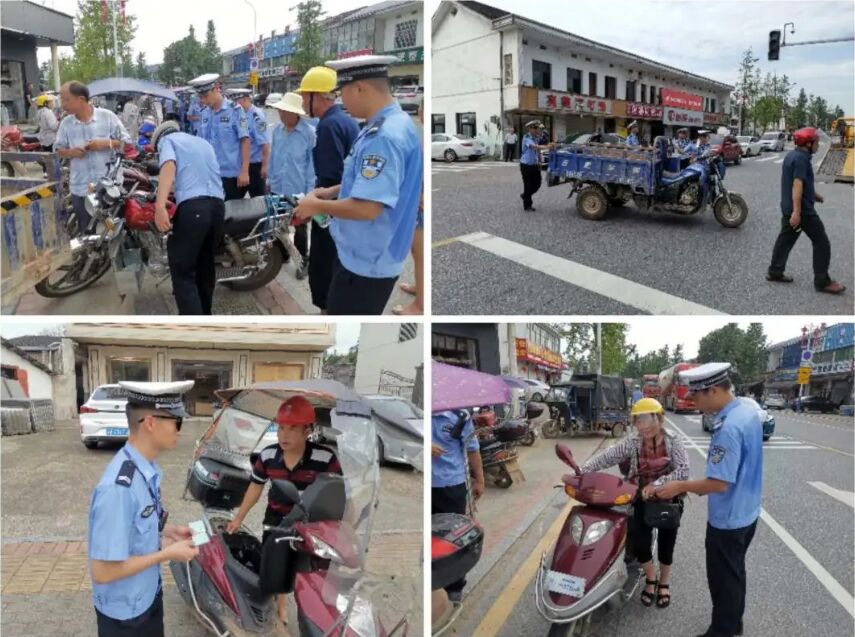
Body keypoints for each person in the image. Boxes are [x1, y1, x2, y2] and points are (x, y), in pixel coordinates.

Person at [294, 55, 422, 315]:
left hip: (367, 261)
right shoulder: (393, 122)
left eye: (342, 92)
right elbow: (371, 182)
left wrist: (316, 205)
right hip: (370, 254)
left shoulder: (384, 137)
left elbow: (368, 208)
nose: (340, 100)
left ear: (360, 88)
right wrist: (332, 191)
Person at [653, 363, 763, 637]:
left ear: (713, 390)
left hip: (728, 519)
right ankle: (734, 624)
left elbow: (719, 483)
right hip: (748, 512)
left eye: (696, 396)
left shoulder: (728, 428)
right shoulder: (747, 411)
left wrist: (679, 485)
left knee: (722, 579)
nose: (693, 402)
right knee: (735, 572)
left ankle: (723, 631)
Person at [88, 381, 199, 637]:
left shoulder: (144, 469)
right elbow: (102, 572)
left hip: (146, 596)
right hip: (126, 618)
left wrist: (169, 532)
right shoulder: (118, 489)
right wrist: (167, 554)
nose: (179, 430)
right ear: (150, 422)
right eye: (177, 422)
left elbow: (135, 525)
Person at [225, 396, 341, 627]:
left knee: (313, 568)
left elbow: (338, 492)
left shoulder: (325, 458)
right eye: (281, 428)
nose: (284, 435)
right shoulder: (268, 456)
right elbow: (255, 487)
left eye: (292, 429)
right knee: (276, 565)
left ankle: (314, 610)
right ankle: (281, 604)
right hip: (277, 518)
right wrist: (238, 518)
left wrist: (346, 525)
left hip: (311, 521)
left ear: (307, 430)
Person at [579, 398, 689, 608]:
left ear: (659, 419)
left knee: (667, 545)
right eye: (638, 420)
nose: (643, 426)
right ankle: (651, 578)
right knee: (640, 542)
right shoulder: (632, 441)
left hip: (669, 500)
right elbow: (608, 456)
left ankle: (664, 582)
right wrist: (582, 471)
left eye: (648, 419)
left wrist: (657, 484)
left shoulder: (674, 441)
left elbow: (683, 471)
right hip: (640, 498)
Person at [294, 65, 360, 313]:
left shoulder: (328, 125)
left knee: (324, 263)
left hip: (332, 210)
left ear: (319, 97)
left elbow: (330, 176)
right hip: (344, 207)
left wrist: (314, 207)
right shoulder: (345, 120)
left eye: (305, 96)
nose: (302, 102)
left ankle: (327, 310)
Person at [151, 121, 225, 315]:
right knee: (205, 267)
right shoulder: (202, 142)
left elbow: (168, 166)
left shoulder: (168, 141)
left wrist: (160, 206)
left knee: (183, 272)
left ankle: (191, 323)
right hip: (217, 208)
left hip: (194, 209)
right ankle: (205, 316)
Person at [767, 126, 846, 294]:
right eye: (816, 142)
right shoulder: (802, 159)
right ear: (808, 144)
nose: (818, 144)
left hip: (788, 206)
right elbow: (797, 184)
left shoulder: (792, 155)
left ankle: (775, 271)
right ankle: (822, 281)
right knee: (821, 242)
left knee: (785, 239)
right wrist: (797, 212)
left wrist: (814, 195)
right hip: (802, 211)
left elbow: (797, 182)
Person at [54, 81, 131, 234]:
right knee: (88, 233)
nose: (63, 104)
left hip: (109, 190)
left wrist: (105, 143)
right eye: (61, 100)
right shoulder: (66, 124)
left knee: (113, 233)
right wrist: (71, 152)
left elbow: (127, 143)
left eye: (66, 100)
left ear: (81, 99)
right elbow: (57, 150)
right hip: (81, 189)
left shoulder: (107, 117)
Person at [431, 410, 485, 602]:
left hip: (451, 486)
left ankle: (454, 586)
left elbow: (472, 449)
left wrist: (480, 480)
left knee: (453, 540)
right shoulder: (418, 416)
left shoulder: (459, 416)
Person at [267, 92, 316, 280]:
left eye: (286, 111)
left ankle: (303, 261)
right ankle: (283, 254)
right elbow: (274, 157)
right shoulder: (277, 131)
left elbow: (312, 166)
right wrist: (270, 180)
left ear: (296, 113)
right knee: (279, 224)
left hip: (299, 190)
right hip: (278, 186)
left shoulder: (309, 134)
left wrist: (309, 194)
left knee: (300, 227)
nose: (281, 115)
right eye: (280, 111)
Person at [188, 73, 250, 201]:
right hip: (210, 174)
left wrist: (244, 171)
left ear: (216, 89)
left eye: (205, 96)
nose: (203, 100)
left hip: (230, 175)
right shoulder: (205, 113)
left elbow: (245, 141)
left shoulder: (235, 110)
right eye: (200, 97)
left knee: (231, 211)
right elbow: (202, 143)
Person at [394, 98, 425, 316]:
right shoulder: (420, 133)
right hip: (416, 200)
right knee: (417, 252)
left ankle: (420, 305)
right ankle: (419, 288)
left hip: (419, 203)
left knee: (420, 253)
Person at [230, 88, 270, 197]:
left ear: (245, 99)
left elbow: (265, 143)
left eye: (236, 100)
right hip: (240, 164)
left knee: (259, 199)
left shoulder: (257, 116)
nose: (234, 103)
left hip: (254, 165)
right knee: (234, 199)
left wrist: (265, 166)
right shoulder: (237, 114)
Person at [519, 120, 551, 211]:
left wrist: (540, 161)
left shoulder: (536, 137)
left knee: (538, 183)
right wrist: (547, 147)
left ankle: (525, 195)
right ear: (530, 129)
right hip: (526, 165)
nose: (537, 130)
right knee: (528, 185)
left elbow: (538, 150)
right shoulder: (526, 137)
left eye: (537, 128)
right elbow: (534, 146)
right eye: (535, 128)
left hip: (535, 165)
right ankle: (527, 205)